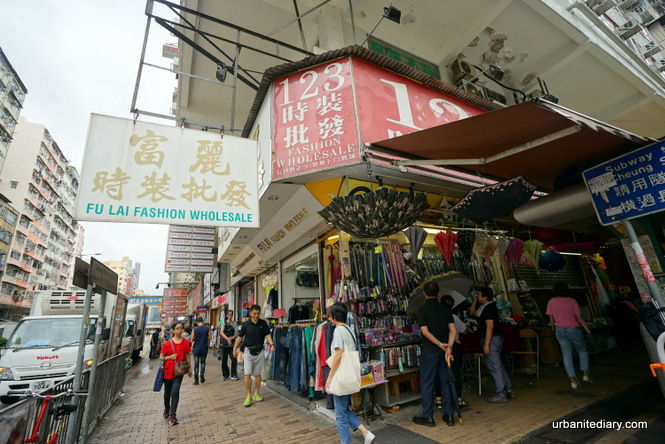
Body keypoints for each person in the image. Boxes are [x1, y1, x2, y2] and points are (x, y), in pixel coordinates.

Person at [326, 302, 376, 444]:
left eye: (331, 316)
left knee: (340, 414)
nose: (330, 319)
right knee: (342, 409)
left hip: (341, 375)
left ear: (334, 316)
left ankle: (346, 441)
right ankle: (366, 433)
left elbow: (338, 354)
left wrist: (330, 376)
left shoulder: (338, 331)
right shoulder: (348, 330)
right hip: (349, 376)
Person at [412, 281, 457, 427]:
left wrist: (440, 344)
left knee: (427, 382)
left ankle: (428, 416)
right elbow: (453, 330)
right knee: (446, 382)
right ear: (438, 294)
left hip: (430, 351)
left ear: (424, 294)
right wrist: (449, 346)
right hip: (445, 352)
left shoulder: (422, 310)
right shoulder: (445, 310)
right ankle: (449, 416)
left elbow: (425, 332)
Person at [470, 286, 515, 403]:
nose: (477, 295)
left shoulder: (489, 308)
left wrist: (486, 344)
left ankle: (501, 393)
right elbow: (472, 312)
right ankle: (508, 389)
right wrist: (474, 301)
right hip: (491, 339)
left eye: (479, 294)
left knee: (494, 367)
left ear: (485, 297)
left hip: (491, 340)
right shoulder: (483, 307)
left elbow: (490, 327)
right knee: (498, 365)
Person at [546, 282, 592, 389]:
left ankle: (573, 380)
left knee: (566, 355)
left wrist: (554, 331)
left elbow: (551, 319)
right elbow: (579, 318)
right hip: (573, 330)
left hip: (560, 331)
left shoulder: (551, 302)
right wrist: (587, 330)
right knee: (582, 350)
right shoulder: (572, 301)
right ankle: (585, 373)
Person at [233, 305, 274, 407]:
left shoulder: (263, 323)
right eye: (254, 313)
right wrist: (235, 348)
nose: (256, 315)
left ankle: (256, 393)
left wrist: (272, 344)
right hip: (248, 351)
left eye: (258, 313)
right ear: (250, 313)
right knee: (247, 373)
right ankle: (248, 395)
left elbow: (268, 335)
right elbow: (240, 337)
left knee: (258, 374)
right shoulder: (246, 324)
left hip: (259, 351)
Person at [434, 294, 467, 410]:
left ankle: (438, 398)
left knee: (439, 373)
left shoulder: (436, 317)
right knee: (455, 373)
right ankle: (458, 398)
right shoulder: (454, 317)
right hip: (454, 347)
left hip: (441, 346)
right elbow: (463, 329)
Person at [159, 321, 193, 425]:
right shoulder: (167, 343)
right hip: (167, 371)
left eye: (181, 328)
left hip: (179, 372)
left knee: (175, 392)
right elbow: (161, 357)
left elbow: (187, 355)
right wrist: (170, 357)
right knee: (167, 393)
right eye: (177, 328)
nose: (179, 330)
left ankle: (173, 415)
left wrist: (190, 368)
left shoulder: (186, 343)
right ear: (173, 330)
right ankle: (167, 408)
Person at [191, 316, 212, 385]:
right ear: (202, 321)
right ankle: (202, 373)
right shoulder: (207, 328)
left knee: (196, 365)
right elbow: (210, 338)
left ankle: (196, 381)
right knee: (203, 362)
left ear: (197, 322)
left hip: (196, 349)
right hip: (204, 348)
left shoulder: (195, 329)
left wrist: (195, 338)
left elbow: (191, 339)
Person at [221, 310, 239, 381]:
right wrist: (227, 339)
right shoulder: (223, 322)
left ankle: (234, 374)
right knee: (224, 360)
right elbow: (221, 332)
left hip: (232, 345)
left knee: (234, 358)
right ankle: (225, 375)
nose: (230, 316)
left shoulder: (235, 323)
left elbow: (236, 332)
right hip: (225, 344)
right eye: (229, 314)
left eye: (231, 314)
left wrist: (232, 337)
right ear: (226, 315)